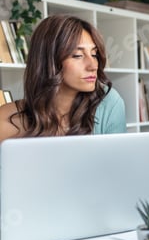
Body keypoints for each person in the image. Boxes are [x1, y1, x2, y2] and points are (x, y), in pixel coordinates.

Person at [0, 14, 126, 143]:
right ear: (48, 61)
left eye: (94, 54)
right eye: (77, 55)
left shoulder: (108, 103)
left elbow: (118, 161)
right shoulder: (6, 119)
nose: (93, 66)